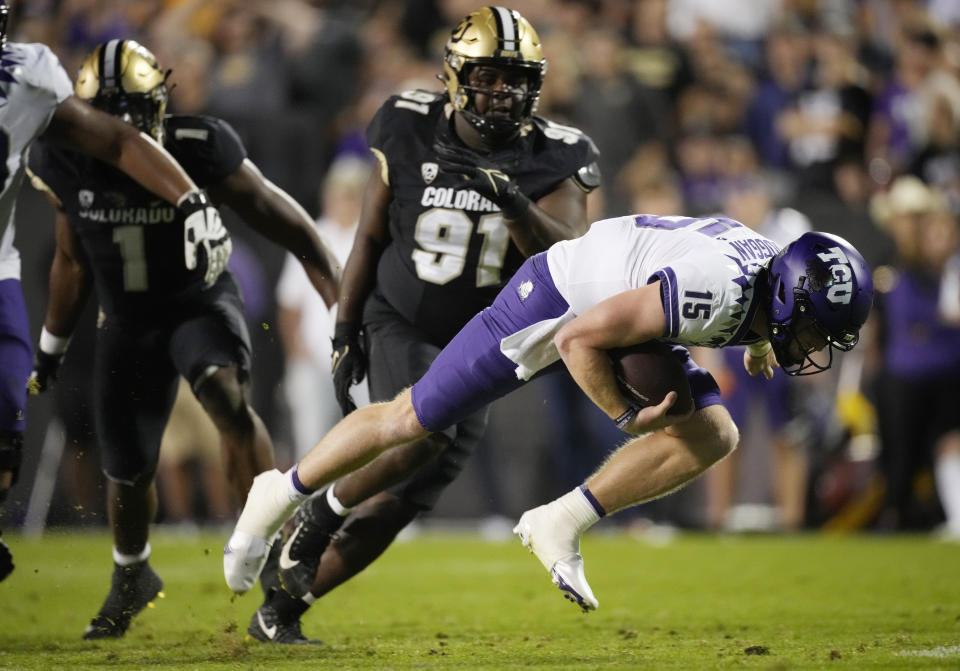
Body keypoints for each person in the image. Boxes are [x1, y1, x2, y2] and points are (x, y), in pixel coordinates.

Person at [225, 218, 873, 616]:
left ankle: (558, 521)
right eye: (816, 330)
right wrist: (624, 413)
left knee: (715, 433)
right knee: (409, 419)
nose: (816, 346)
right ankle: (280, 488)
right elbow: (579, 339)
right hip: (557, 300)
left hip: (619, 302)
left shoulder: (765, 275)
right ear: (788, 292)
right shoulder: (721, 286)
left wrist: (763, 340)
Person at [241, 6, 600, 644]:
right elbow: (371, 231)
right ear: (457, 76)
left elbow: (567, 256)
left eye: (516, 79)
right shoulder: (407, 122)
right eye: (489, 76)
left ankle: (280, 611)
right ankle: (315, 518)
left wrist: (512, 201)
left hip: (484, 341)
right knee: (427, 429)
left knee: (400, 503)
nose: (502, 92)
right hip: (401, 318)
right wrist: (346, 324)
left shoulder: (558, 152)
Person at [26, 39, 338, 639]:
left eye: (136, 111)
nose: (125, 127)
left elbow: (280, 213)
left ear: (161, 105)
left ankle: (266, 545)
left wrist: (336, 298)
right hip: (124, 320)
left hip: (198, 302)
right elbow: (69, 261)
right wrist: (51, 345)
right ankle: (130, 574)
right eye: (111, 114)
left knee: (224, 394)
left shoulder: (199, 144)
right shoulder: (62, 155)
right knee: (127, 467)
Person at [0, 6, 226, 584]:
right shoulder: (51, 143)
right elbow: (72, 257)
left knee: (8, 421)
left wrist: (193, 201)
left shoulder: (28, 74)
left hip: (16, 277)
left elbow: (120, 141)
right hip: (115, 318)